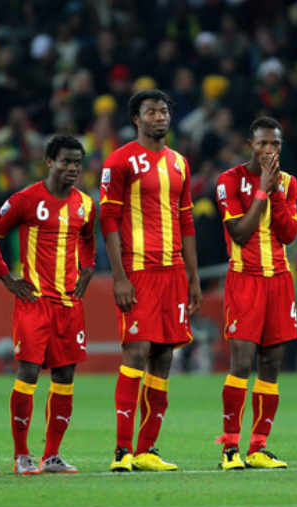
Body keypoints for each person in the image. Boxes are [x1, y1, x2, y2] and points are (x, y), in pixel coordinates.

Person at [99, 89, 202, 472]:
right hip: (138, 271)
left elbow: (186, 221)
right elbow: (108, 220)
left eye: (164, 111)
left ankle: (147, 449)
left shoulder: (179, 163)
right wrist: (119, 277)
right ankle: (122, 451)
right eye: (151, 112)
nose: (160, 117)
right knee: (136, 352)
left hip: (173, 272)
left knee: (164, 356)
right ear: (136, 119)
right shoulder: (120, 161)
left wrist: (192, 277)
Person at [0, 135, 95, 475]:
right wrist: (5, 277)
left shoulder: (85, 204)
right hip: (35, 302)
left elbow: (88, 239)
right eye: (65, 161)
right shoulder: (25, 199)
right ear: (49, 161)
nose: (72, 168)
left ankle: (53, 455)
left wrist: (87, 269)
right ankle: (21, 455)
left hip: (69, 306)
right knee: (28, 373)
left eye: (77, 162)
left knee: (65, 375)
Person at [214, 117, 297, 470]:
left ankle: (259, 447)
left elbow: (289, 233)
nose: (269, 150)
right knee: (243, 362)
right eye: (263, 143)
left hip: (279, 280)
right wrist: (263, 189)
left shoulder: (289, 183)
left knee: (271, 364)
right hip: (245, 279)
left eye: (275, 145)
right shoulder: (229, 180)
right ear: (251, 143)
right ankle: (230, 448)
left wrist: (275, 191)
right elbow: (240, 233)